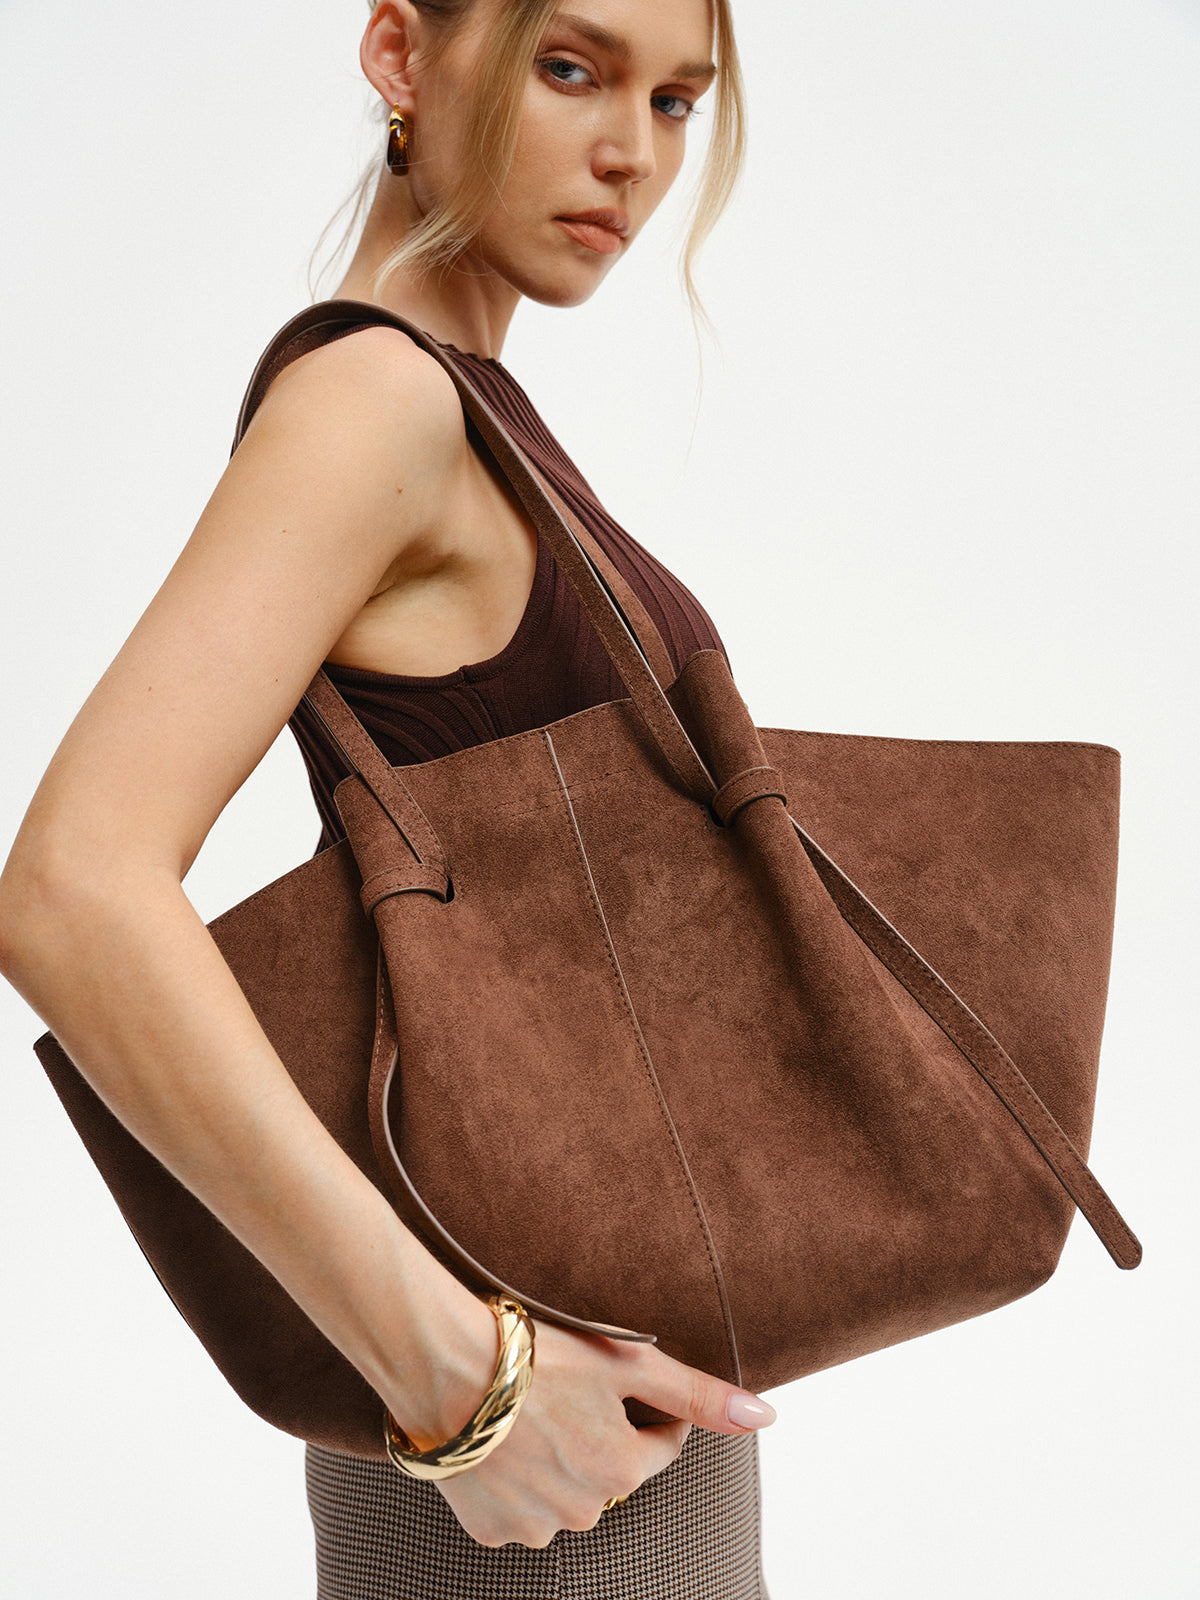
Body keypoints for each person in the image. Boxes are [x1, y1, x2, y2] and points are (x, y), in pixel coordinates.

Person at [0, 0, 778, 1595]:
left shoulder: (464, 405)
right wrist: (463, 1380)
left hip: (587, 1403)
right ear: (402, 55)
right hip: (532, 1440)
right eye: (572, 68)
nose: (631, 153)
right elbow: (73, 887)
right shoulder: (378, 402)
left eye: (676, 100)